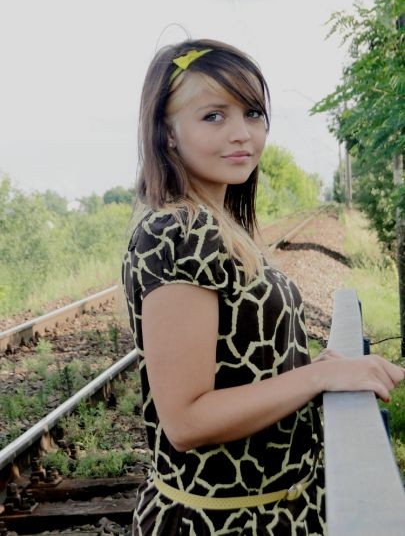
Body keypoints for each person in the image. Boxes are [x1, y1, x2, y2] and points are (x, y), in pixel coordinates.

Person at [122, 38, 404, 535]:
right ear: (167, 133)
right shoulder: (178, 233)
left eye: (252, 113)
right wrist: (316, 379)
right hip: (220, 522)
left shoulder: (219, 225)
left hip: (268, 512)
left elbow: (237, 366)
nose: (242, 134)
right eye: (213, 116)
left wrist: (307, 370)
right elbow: (185, 421)